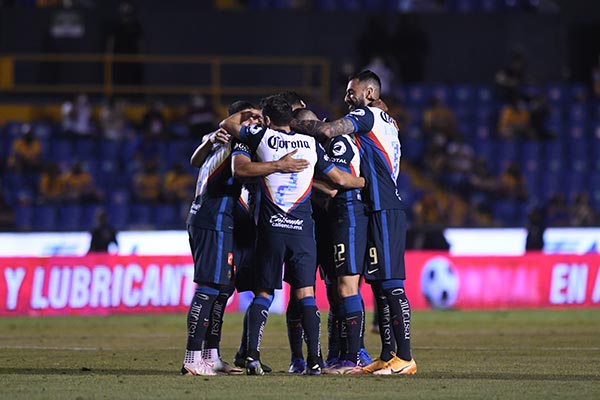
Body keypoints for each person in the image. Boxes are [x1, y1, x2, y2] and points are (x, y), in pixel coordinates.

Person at [220, 95, 366, 376]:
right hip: (302, 231)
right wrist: (364, 181)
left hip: (272, 228)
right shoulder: (310, 144)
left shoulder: (261, 137)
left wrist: (252, 115)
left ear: (269, 119)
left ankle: (251, 356)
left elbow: (227, 124)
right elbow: (338, 181)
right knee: (306, 295)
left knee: (263, 293)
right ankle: (314, 361)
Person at [290, 70, 417, 375]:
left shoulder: (366, 116)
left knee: (390, 285)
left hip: (385, 208)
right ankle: (387, 355)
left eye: (352, 92)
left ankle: (406, 357)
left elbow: (327, 131)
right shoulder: (380, 117)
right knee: (378, 287)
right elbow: (379, 109)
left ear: (369, 94)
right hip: (374, 208)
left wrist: (287, 125)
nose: (347, 98)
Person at [181, 100, 309, 376]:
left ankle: (211, 356)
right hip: (213, 218)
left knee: (221, 291)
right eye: (253, 119)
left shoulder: (218, 140)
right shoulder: (234, 141)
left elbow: (195, 160)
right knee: (208, 289)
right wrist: (279, 165)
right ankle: (192, 358)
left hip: (222, 221)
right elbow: (240, 170)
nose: (258, 124)